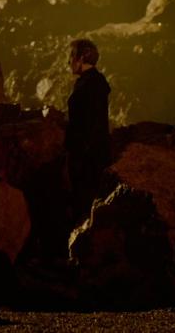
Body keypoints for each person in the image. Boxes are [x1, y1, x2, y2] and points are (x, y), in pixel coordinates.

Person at [65, 38, 112, 221]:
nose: (69, 61)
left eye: (71, 56)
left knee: (84, 204)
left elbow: (89, 124)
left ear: (81, 58)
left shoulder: (89, 85)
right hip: (90, 155)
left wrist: (80, 151)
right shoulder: (94, 83)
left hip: (87, 159)